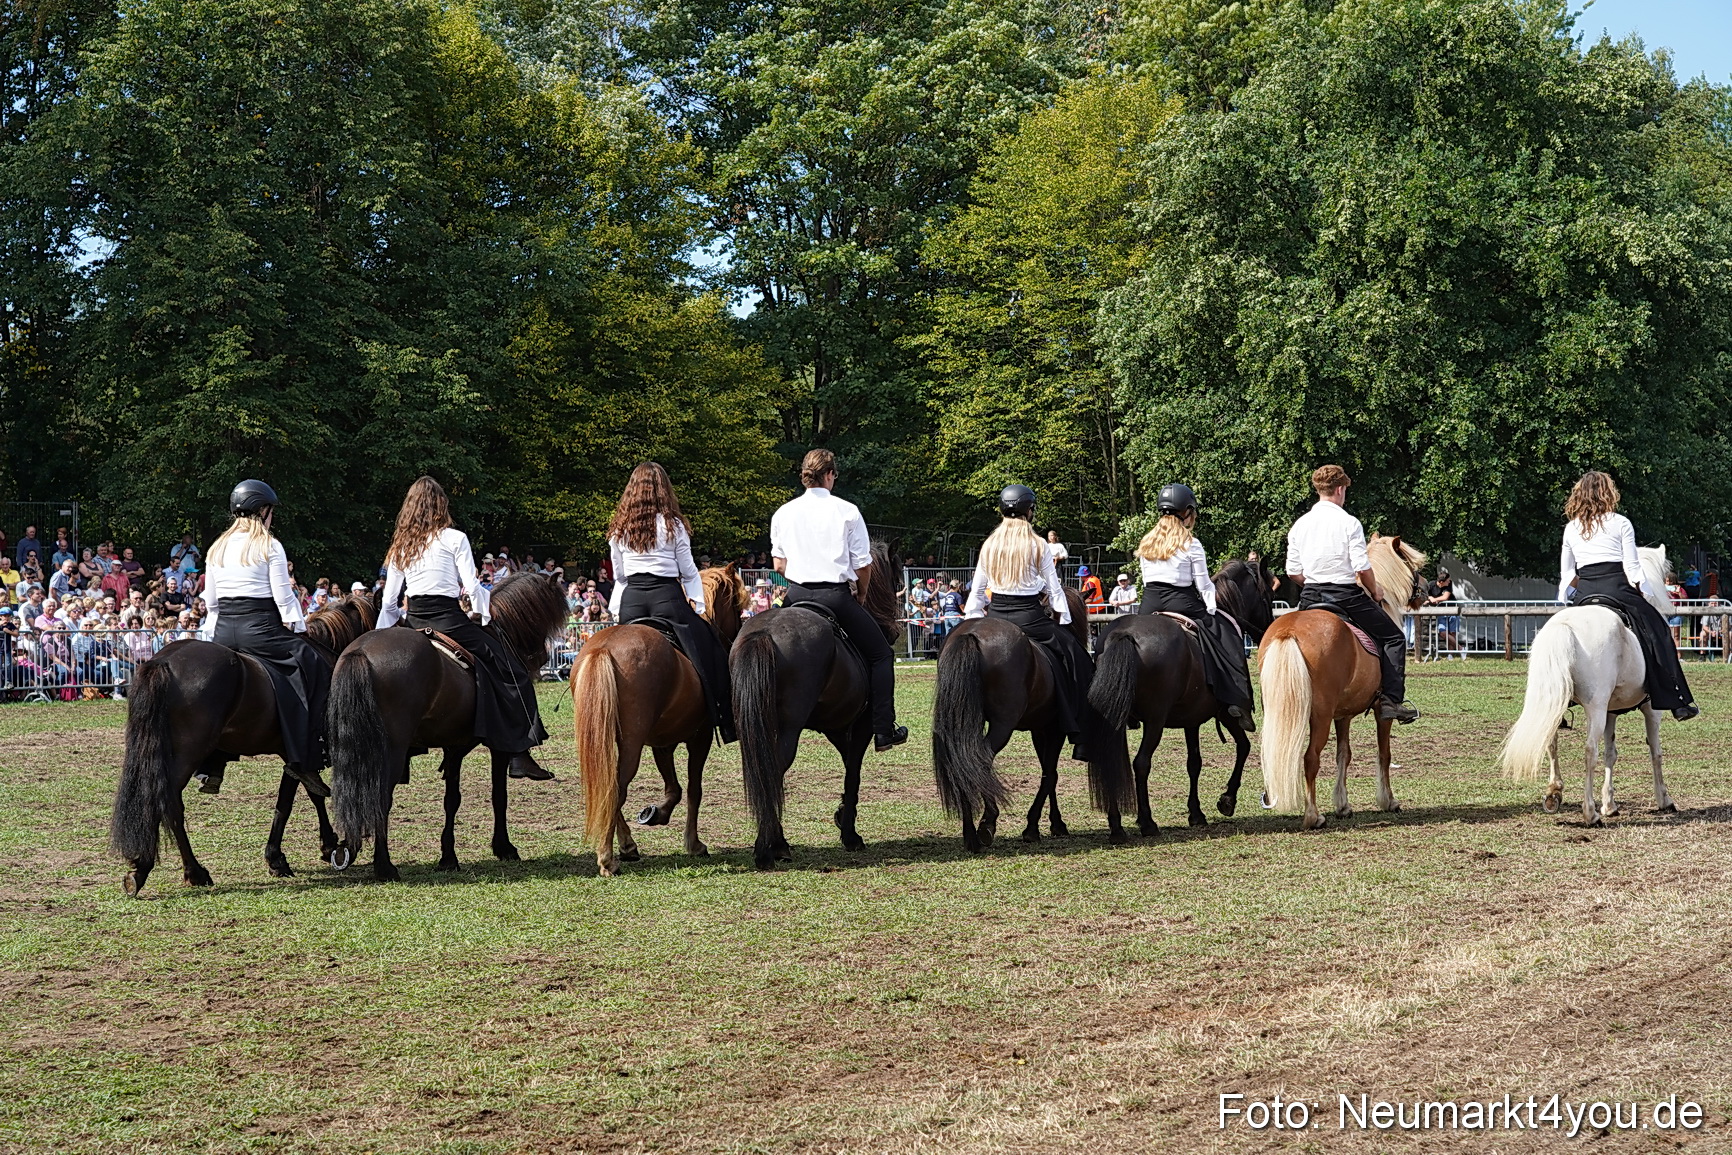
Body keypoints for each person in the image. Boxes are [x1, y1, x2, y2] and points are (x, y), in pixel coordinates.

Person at [375, 476, 552, 779]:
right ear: (441, 506)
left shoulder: (401, 546)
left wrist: (382, 634)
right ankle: (519, 754)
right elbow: (472, 587)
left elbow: (390, 602)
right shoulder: (455, 538)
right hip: (450, 621)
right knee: (514, 671)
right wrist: (484, 615)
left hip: (415, 621)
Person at [200, 480, 332, 795]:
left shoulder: (216, 547)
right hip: (260, 628)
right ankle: (307, 757)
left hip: (224, 631)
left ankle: (213, 765)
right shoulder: (269, 546)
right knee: (316, 664)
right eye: (270, 510)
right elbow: (284, 599)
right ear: (263, 510)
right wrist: (299, 628)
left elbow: (211, 602)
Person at [770, 448, 906, 750]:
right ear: (830, 474)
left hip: (796, 594)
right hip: (834, 596)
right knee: (882, 654)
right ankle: (884, 729)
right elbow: (862, 564)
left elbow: (779, 566)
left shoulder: (783, 513)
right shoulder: (847, 511)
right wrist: (861, 592)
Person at [605, 461, 736, 743]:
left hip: (632, 601)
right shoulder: (673, 525)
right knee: (711, 649)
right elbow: (688, 571)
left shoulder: (619, 528)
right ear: (663, 490)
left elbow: (620, 575)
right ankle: (725, 718)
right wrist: (699, 608)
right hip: (666, 598)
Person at [963, 484, 1093, 757]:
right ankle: (1082, 734)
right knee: (1079, 659)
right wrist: (1066, 623)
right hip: (1029, 616)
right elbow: (1055, 589)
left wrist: (973, 621)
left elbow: (977, 590)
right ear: (1029, 511)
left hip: (996, 614)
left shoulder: (990, 544)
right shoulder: (1038, 544)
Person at [1558, 471, 1697, 719]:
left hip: (1585, 591)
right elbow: (1633, 569)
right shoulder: (1621, 522)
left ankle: (1559, 702)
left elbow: (1568, 573)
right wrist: (1646, 593)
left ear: (1578, 495)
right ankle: (1677, 700)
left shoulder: (1571, 528)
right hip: (1617, 588)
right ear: (1608, 493)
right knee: (1660, 631)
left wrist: (1571, 598)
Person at [1286, 464, 1417, 723]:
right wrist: (1376, 590)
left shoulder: (1299, 525)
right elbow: (1361, 567)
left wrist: (1313, 583)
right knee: (1394, 637)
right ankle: (1391, 700)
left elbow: (1292, 572)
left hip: (1310, 596)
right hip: (1346, 596)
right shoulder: (1349, 523)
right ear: (1340, 489)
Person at [1137, 483, 1255, 726]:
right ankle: (1236, 699)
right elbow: (1203, 585)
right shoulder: (1191, 543)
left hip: (1149, 604)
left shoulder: (1147, 543)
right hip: (1183, 601)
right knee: (1226, 635)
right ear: (1187, 512)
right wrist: (1213, 612)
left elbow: (1147, 580)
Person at [1425, 567, 1459, 658]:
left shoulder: (1449, 584)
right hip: (1440, 610)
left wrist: (1433, 599)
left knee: (1452, 632)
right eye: (1447, 580)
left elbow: (1445, 597)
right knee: (1442, 632)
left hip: (1452, 609)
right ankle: (1460, 648)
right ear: (1441, 582)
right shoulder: (1431, 584)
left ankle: (1450, 654)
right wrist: (1429, 598)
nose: (1449, 581)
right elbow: (1425, 595)